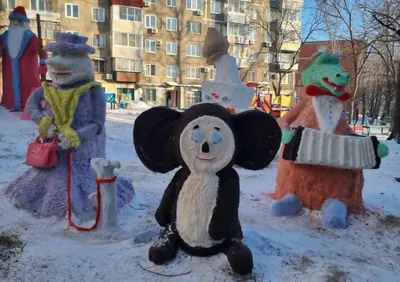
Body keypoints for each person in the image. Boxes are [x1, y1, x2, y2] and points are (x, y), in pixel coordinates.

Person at [3, 32, 135, 218]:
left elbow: (97, 123)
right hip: (52, 151)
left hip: (83, 154)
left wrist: (77, 136)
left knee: (82, 183)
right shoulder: (48, 89)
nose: (59, 62)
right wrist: (44, 122)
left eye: (69, 56)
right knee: (46, 178)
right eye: (56, 56)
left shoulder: (92, 90)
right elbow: (32, 105)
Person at [0, 6, 47, 112]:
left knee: (31, 98)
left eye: (19, 21)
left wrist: (43, 64)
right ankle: (10, 103)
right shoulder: (3, 38)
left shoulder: (31, 38)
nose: (15, 24)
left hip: (30, 77)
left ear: (24, 23)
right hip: (9, 80)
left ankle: (30, 105)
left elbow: (43, 52)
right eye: (13, 21)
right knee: (9, 96)